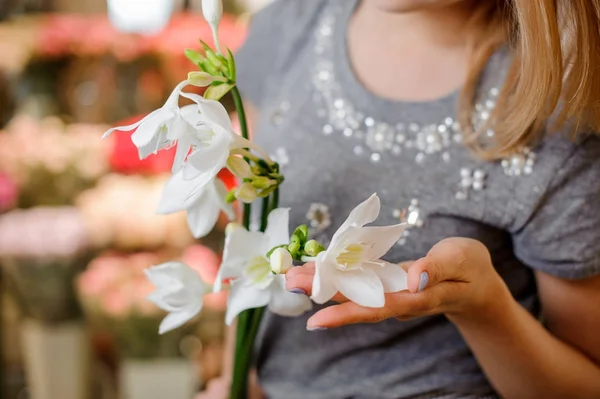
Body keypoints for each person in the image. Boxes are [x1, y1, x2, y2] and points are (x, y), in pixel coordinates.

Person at [198, 0, 600, 398]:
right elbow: (253, 237)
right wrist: (240, 381)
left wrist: (482, 306)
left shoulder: (557, 115)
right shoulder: (288, 27)